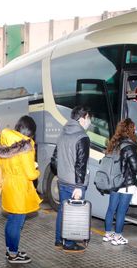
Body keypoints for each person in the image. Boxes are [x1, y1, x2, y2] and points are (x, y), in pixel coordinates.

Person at [0, 115, 41, 264]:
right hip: (20, 189)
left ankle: (10, 250)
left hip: (9, 186)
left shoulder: (5, 142)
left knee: (11, 221)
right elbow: (30, 174)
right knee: (17, 222)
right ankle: (13, 255)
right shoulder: (26, 146)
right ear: (30, 131)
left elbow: (0, 165)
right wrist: (37, 169)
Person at [51, 105, 92, 252]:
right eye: (88, 118)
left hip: (62, 180)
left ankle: (58, 240)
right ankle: (68, 243)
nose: (90, 121)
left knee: (63, 211)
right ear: (82, 118)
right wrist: (79, 187)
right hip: (75, 183)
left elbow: (54, 160)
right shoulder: (82, 137)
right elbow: (81, 165)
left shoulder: (62, 133)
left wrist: (62, 172)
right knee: (73, 214)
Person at [102, 118, 137, 245]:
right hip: (126, 184)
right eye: (134, 128)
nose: (135, 130)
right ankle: (118, 237)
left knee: (111, 209)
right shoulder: (129, 146)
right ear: (130, 129)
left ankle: (108, 234)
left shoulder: (114, 143)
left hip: (114, 182)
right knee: (121, 211)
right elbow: (136, 167)